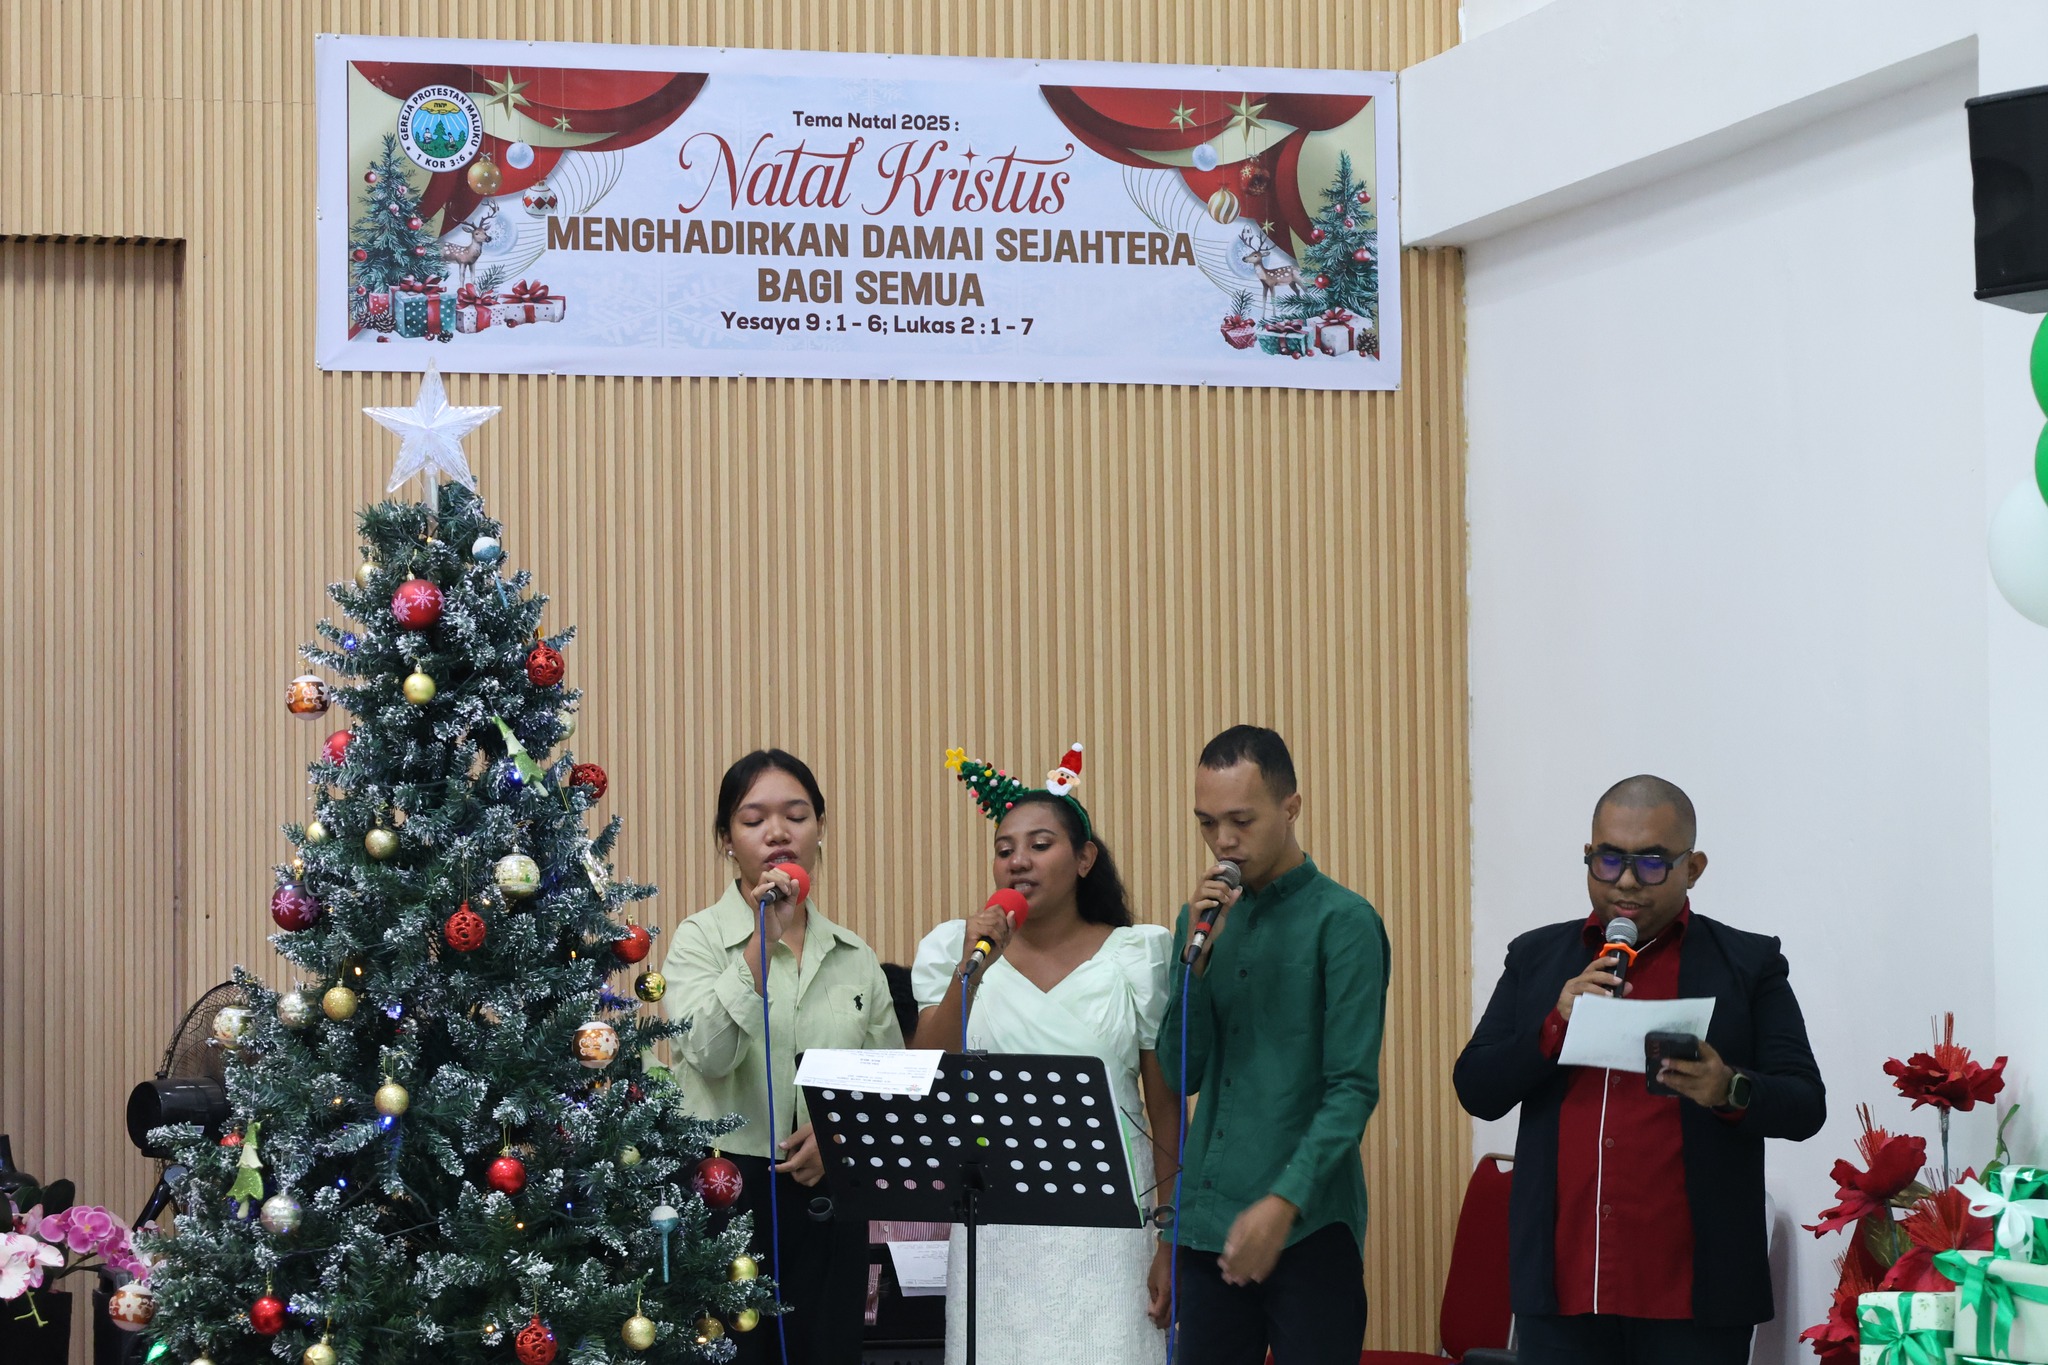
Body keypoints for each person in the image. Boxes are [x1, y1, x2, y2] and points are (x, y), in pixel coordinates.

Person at [1453, 775, 1825, 1365]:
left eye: (1652, 863)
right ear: (1587, 857)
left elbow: (1805, 1104)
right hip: (1563, 1287)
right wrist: (1554, 1027)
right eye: (1609, 860)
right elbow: (1477, 1087)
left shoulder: (1748, 964)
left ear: (1693, 868)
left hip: (1694, 1295)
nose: (1626, 881)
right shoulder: (1537, 958)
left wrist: (1727, 1088)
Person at [911, 742, 1180, 1365]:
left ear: (1084, 859)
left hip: (1113, 1225)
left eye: (1039, 844)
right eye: (1004, 849)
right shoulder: (958, 950)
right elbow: (926, 1070)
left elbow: (1166, 1107)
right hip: (996, 1226)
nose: (1018, 861)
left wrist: (1170, 1236)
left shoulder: (1137, 955)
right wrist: (970, 974)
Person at [661, 749, 903, 1365]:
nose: (777, 833)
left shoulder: (854, 957)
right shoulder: (698, 941)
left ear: (819, 829)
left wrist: (841, 1136)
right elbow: (708, 1055)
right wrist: (759, 947)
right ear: (727, 840)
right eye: (753, 820)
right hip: (723, 1192)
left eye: (796, 816)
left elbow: (890, 1087)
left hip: (830, 1191)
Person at [1158, 725, 1390, 1365]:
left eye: (1241, 820)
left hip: (1308, 1223)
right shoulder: (1199, 922)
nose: (1223, 841)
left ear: (1291, 807)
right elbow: (1181, 1072)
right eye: (1207, 823)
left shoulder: (1344, 922)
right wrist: (1195, 969)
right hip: (1209, 1225)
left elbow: (1352, 1090)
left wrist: (1283, 1201)